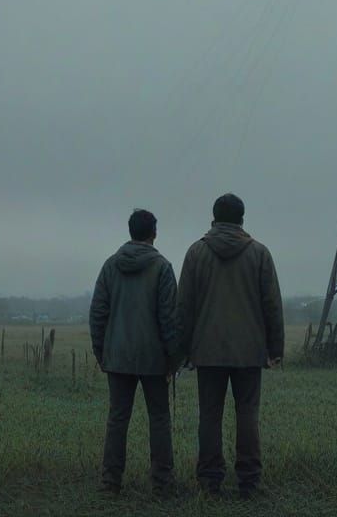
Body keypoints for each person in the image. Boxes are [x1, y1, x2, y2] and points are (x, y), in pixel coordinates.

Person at [177, 193, 283, 500]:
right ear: (242, 219)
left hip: (207, 352)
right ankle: (249, 481)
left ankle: (210, 481)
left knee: (209, 415)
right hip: (249, 351)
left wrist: (181, 352)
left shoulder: (196, 253)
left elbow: (184, 307)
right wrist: (275, 348)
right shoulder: (260, 254)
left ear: (214, 218)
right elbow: (272, 305)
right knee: (247, 413)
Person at [88, 209, 181, 495]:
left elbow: (98, 313)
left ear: (130, 231)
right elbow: (169, 319)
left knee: (117, 418)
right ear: (154, 233)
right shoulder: (162, 267)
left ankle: (110, 482)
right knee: (160, 418)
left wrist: (101, 352)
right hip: (154, 358)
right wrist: (173, 359)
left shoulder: (110, 266)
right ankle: (162, 484)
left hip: (117, 356)